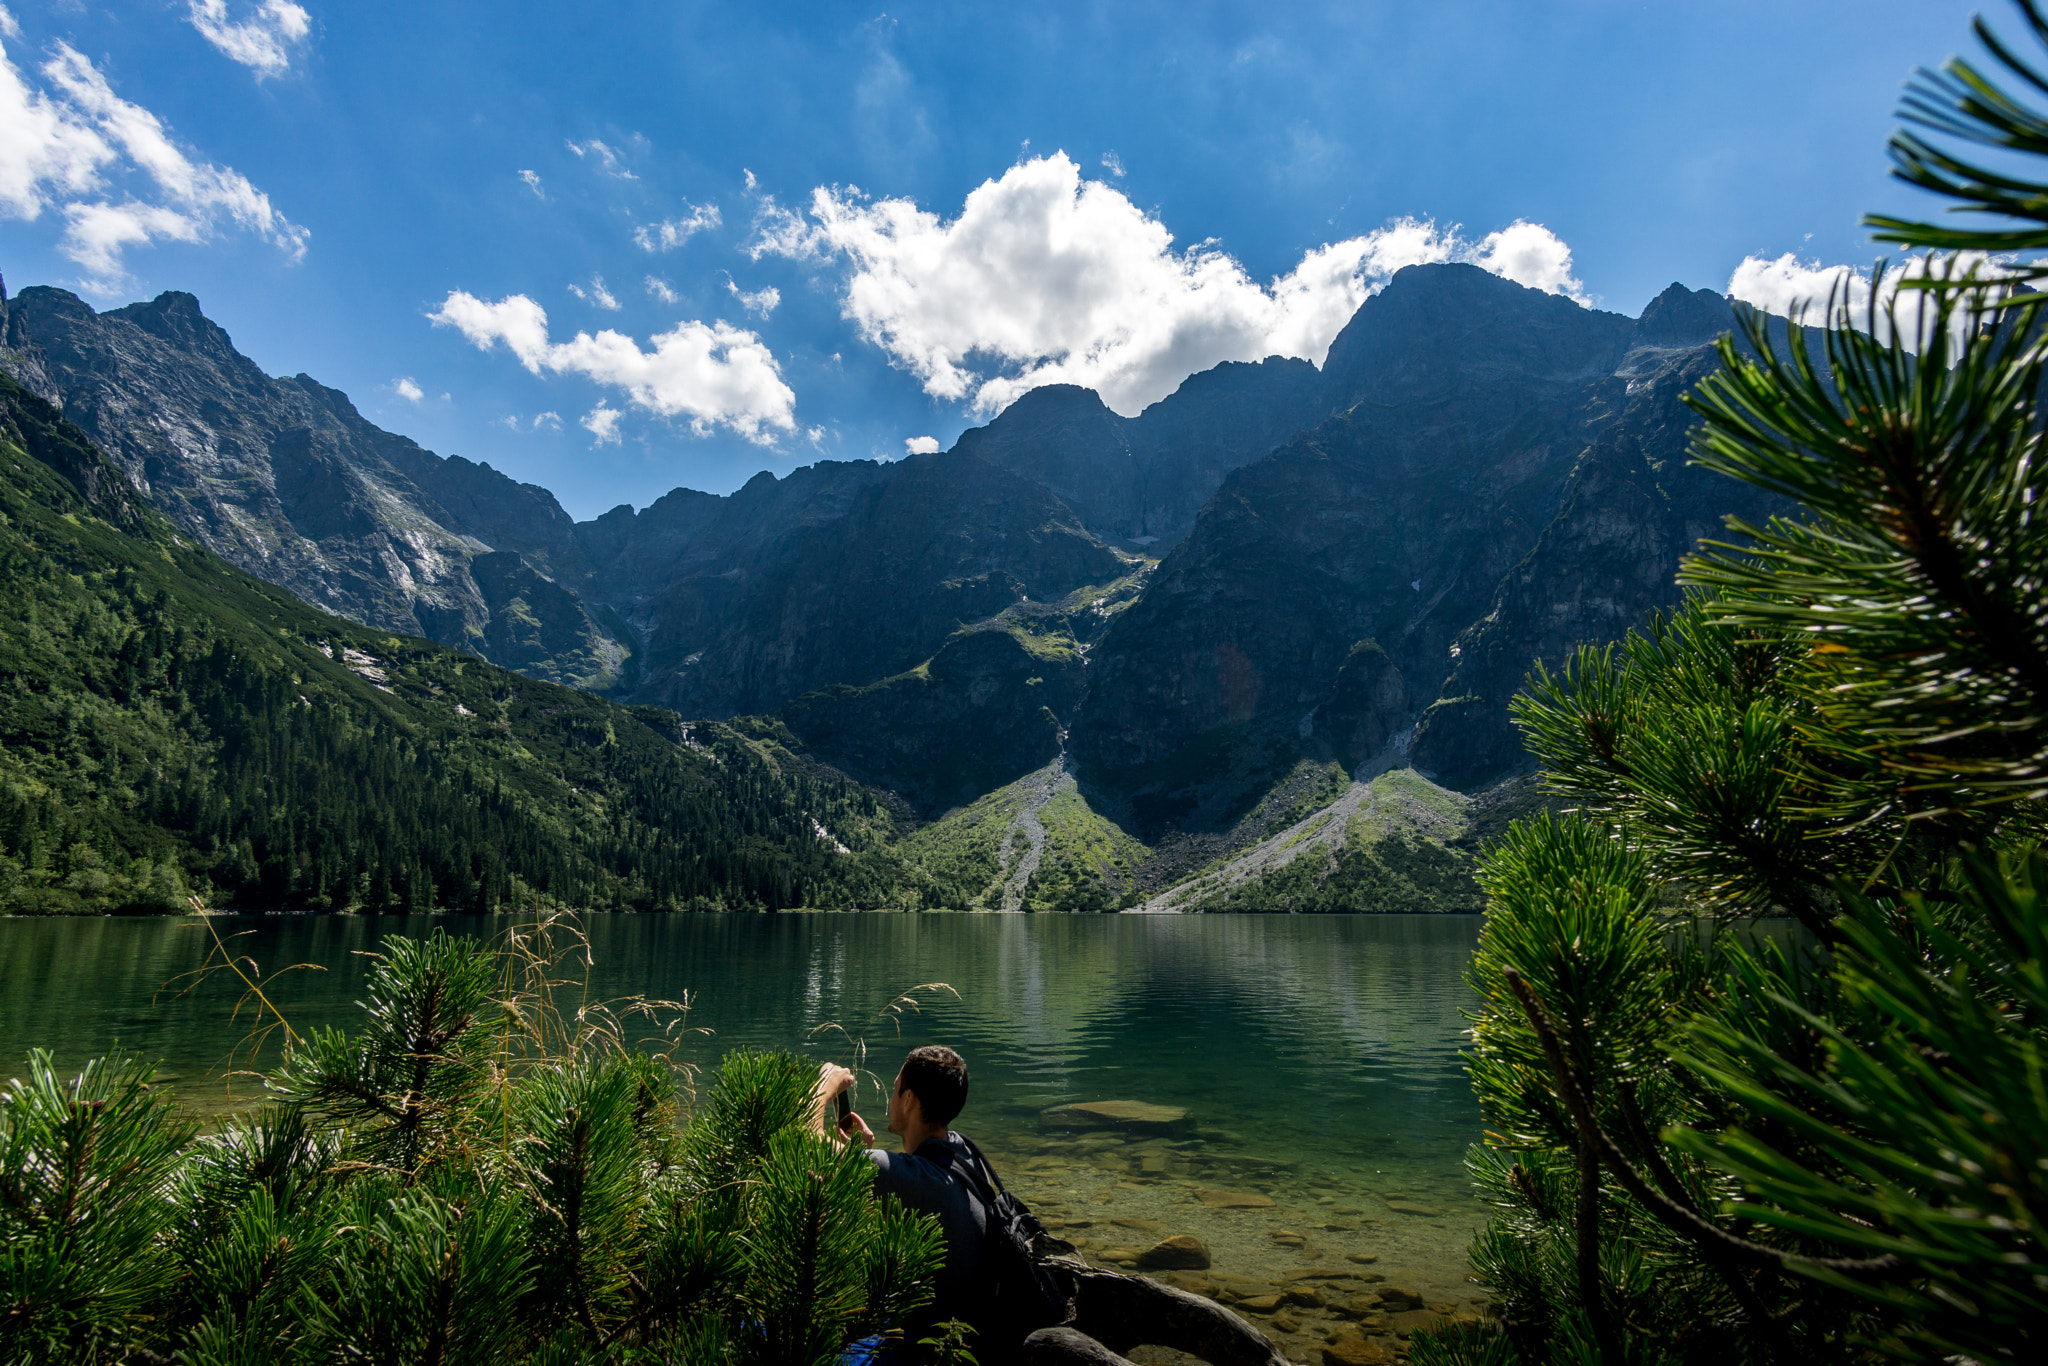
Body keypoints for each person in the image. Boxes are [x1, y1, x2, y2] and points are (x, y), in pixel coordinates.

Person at [814, 1046, 993, 1338]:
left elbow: (808, 1145)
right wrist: (861, 1158)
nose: (892, 1095)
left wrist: (823, 1087)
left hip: (929, 1353)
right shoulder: (962, 1151)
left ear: (908, 1100)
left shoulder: (918, 1179)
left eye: (896, 1088)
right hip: (968, 1336)